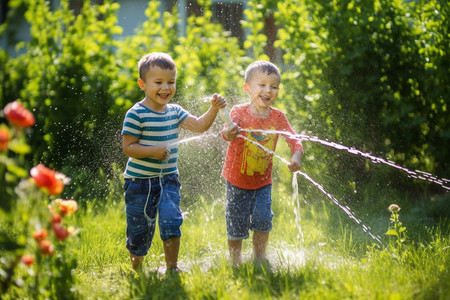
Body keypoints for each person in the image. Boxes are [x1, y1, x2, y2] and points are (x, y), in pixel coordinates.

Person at [122, 52, 226, 272]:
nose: (165, 87)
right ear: (142, 84)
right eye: (158, 82)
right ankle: (136, 268)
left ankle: (172, 267)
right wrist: (153, 151)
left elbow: (199, 126)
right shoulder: (136, 114)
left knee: (171, 220)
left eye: (171, 82)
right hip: (139, 182)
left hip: (169, 179)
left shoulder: (175, 111)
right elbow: (127, 147)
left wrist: (214, 109)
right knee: (139, 228)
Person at [221, 60, 303, 266]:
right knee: (236, 222)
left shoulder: (278, 117)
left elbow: (295, 140)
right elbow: (226, 133)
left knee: (263, 219)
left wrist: (295, 158)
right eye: (262, 85)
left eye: (274, 87)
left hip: (263, 182)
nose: (268, 90)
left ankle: (259, 258)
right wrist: (228, 133)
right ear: (247, 88)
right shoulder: (238, 112)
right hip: (236, 180)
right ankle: (235, 261)